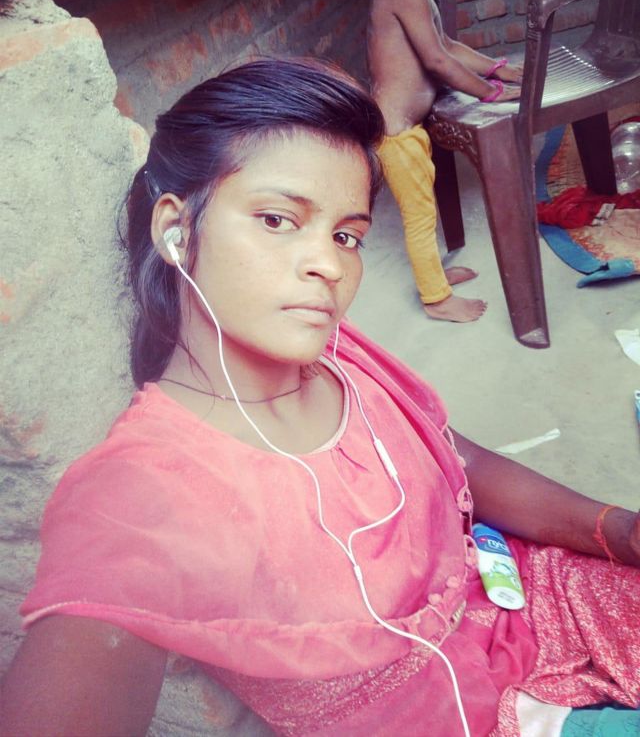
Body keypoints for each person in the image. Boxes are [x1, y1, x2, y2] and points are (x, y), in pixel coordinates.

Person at [1, 58, 638, 737]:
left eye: (345, 235)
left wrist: (617, 529)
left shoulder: (339, 355)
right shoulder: (144, 496)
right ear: (176, 229)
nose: (330, 265)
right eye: (278, 219)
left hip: (529, 599)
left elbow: (460, 461)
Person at [327, 0, 524, 323]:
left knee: (424, 209)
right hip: (395, 136)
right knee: (419, 217)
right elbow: (437, 60)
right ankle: (435, 299)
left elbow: (447, 45)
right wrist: (489, 93)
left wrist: (496, 68)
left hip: (404, 130)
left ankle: (434, 274)